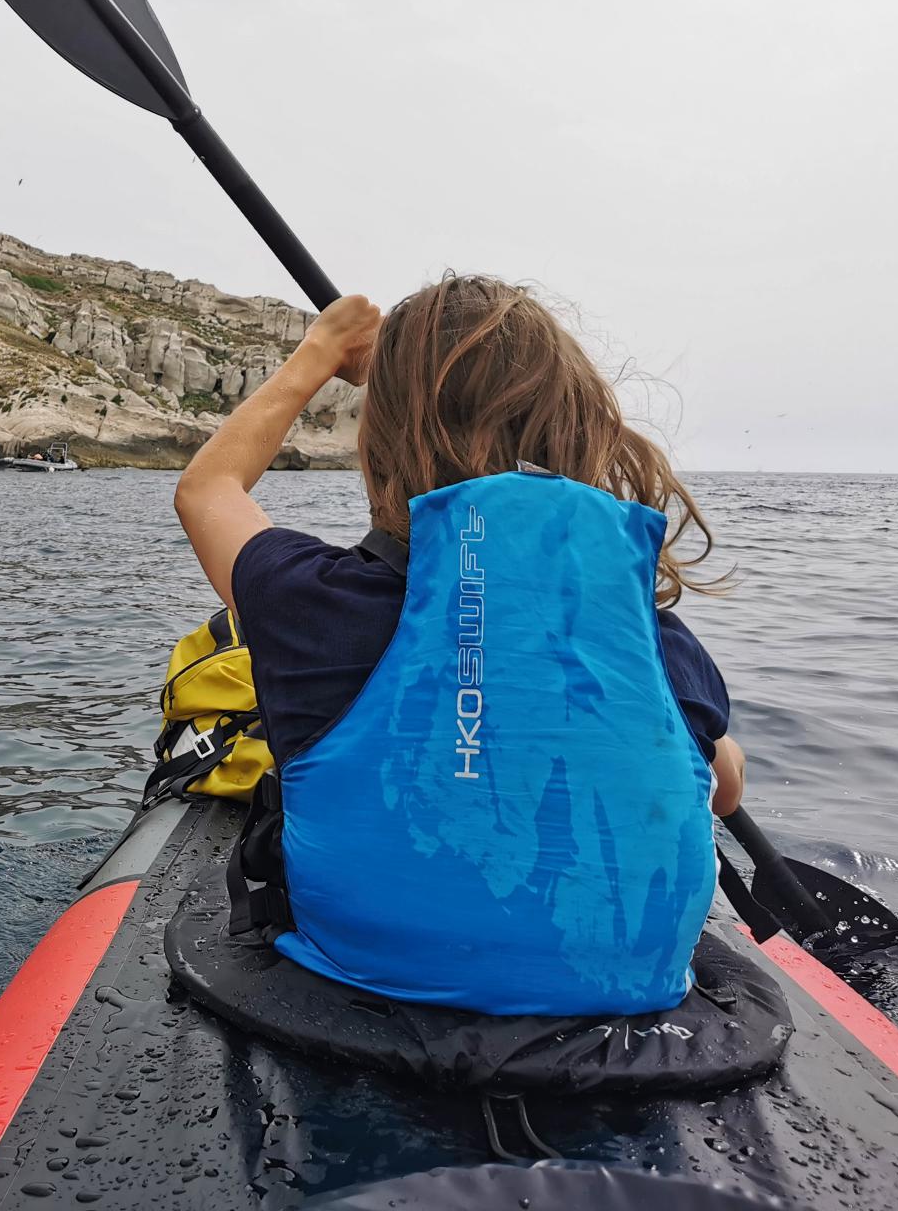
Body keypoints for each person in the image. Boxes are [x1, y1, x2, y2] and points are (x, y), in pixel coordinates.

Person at [174, 274, 744, 1017]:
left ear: (378, 444)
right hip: (624, 1023)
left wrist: (320, 352)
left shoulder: (312, 606)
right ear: (581, 436)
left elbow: (208, 488)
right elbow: (723, 789)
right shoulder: (657, 643)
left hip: (359, 1003)